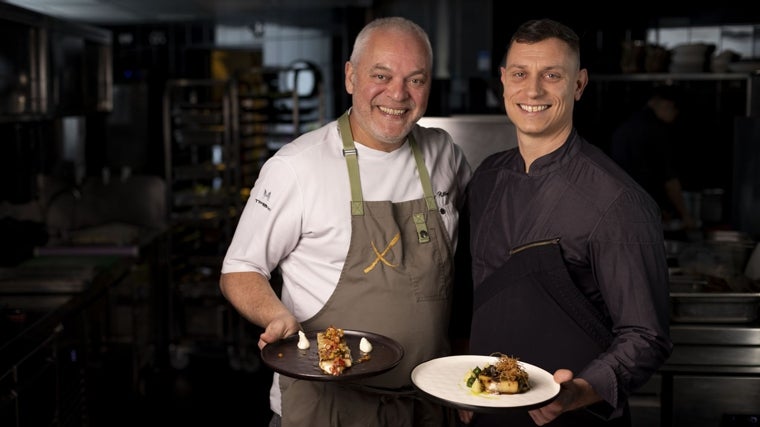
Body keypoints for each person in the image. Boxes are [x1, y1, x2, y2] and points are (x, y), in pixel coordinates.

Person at [219, 16, 472, 427]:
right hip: (327, 409)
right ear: (351, 77)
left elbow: (469, 263)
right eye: (381, 75)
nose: (398, 94)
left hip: (426, 404)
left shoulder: (444, 154)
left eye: (416, 79)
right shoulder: (296, 167)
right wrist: (274, 313)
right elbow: (240, 268)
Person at [458, 19, 673, 426]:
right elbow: (473, 301)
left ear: (578, 84)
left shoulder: (619, 200)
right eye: (520, 74)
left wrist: (578, 392)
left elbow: (647, 336)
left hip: (573, 417)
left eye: (552, 75)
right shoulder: (485, 178)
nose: (533, 90)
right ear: (503, 80)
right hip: (487, 413)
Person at [610, 85, 698, 231]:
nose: (674, 118)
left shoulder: (623, 129)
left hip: (618, 211)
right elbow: (670, 181)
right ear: (667, 105)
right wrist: (686, 216)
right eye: (676, 112)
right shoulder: (657, 132)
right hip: (643, 213)